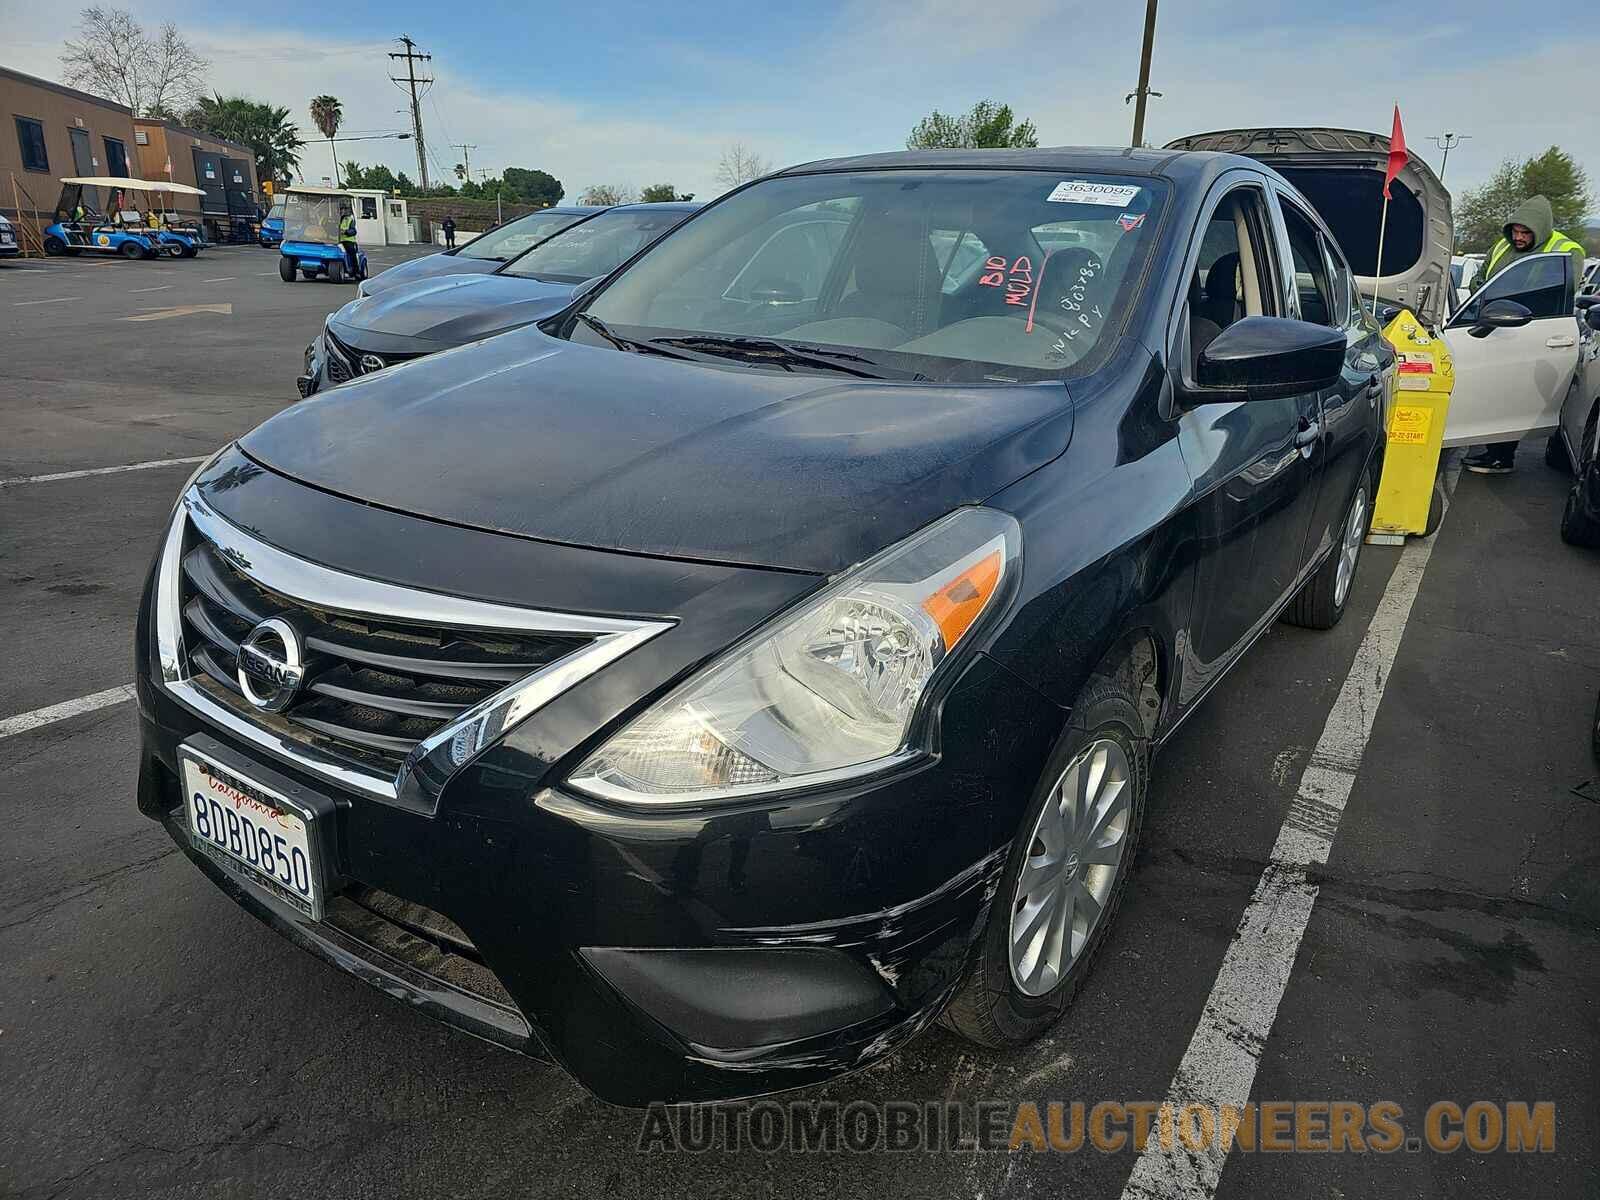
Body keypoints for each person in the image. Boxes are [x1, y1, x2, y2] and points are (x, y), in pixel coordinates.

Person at [1463, 195, 1587, 474]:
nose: (1518, 237)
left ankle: (1502, 456)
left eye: (1525, 233)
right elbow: (1479, 280)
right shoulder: (1501, 246)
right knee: (1489, 394)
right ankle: (1489, 446)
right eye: (1515, 231)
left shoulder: (1566, 250)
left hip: (1532, 334)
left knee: (1513, 397)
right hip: (1494, 328)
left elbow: (1557, 293)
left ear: (1540, 229)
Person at [338, 202, 360, 278]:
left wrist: (346, 232)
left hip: (348, 240)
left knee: (351, 253)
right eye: (341, 209)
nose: (342, 211)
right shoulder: (335, 219)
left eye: (343, 209)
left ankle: (355, 271)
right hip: (336, 240)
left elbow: (354, 231)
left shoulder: (349, 219)